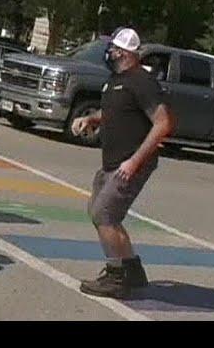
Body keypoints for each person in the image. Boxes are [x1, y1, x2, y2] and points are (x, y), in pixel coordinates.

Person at [72, 28, 175, 298]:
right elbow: (113, 113)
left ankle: (117, 278)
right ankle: (132, 269)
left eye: (113, 49)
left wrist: (134, 162)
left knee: (104, 215)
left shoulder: (141, 81)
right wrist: (91, 120)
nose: (109, 53)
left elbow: (163, 123)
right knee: (100, 211)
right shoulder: (115, 80)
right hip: (112, 161)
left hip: (130, 163)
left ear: (124, 53)